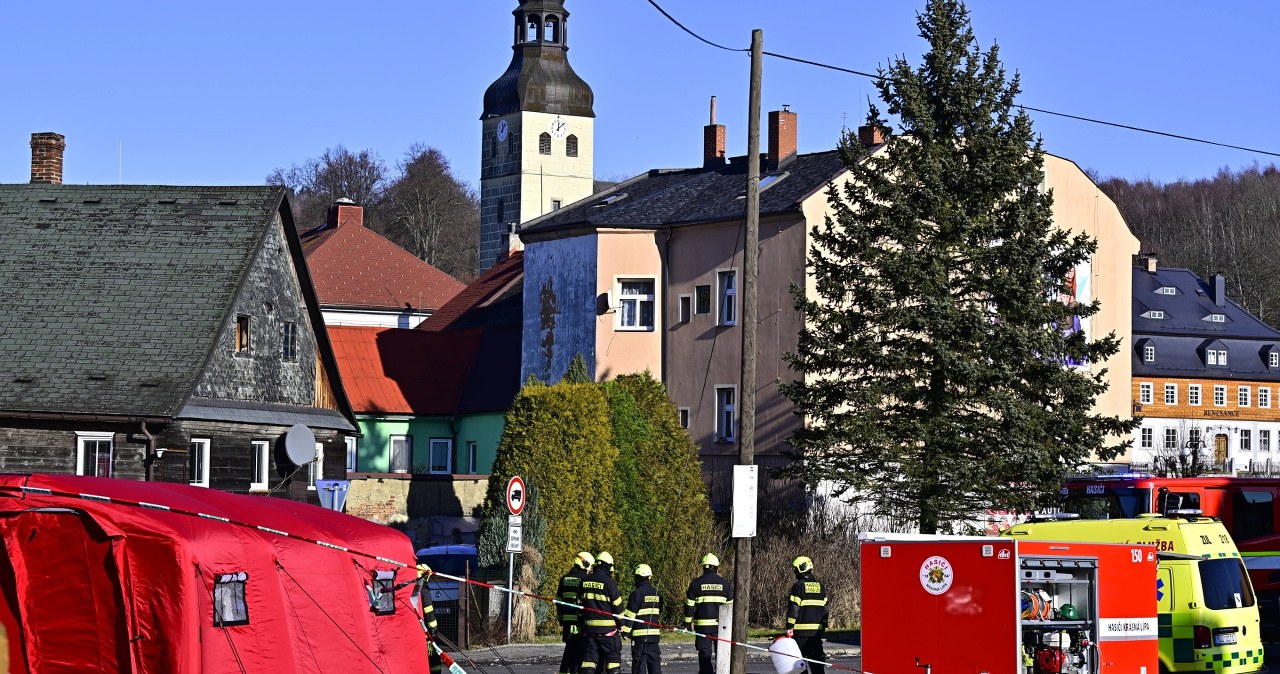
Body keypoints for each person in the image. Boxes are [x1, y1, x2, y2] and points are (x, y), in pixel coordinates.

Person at [684, 553, 732, 674]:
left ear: (703, 567)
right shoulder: (725, 584)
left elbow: (689, 607)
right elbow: (730, 608)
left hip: (702, 628)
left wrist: (687, 623)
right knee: (722, 654)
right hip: (721, 627)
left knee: (704, 654)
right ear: (716, 567)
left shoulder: (696, 584)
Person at [580, 551, 624, 674]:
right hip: (608, 631)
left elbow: (579, 605)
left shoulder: (584, 581)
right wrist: (621, 624)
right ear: (608, 566)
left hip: (589, 630)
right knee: (613, 660)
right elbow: (618, 606)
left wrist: (582, 624)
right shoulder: (609, 582)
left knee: (589, 660)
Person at [785, 556, 829, 674]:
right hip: (816, 634)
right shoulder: (820, 586)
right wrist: (823, 626)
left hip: (800, 633)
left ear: (802, 568)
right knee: (817, 665)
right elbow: (825, 609)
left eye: (795, 569)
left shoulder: (798, 586)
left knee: (799, 665)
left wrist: (789, 626)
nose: (794, 572)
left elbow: (794, 608)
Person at [557, 551, 595, 674]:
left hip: (567, 622)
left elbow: (559, 602)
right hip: (580, 622)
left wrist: (561, 619)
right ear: (586, 564)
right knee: (579, 654)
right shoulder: (585, 580)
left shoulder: (564, 579)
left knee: (569, 650)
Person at [622, 563, 664, 674]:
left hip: (639, 638)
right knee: (655, 664)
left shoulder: (636, 594)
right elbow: (658, 612)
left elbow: (630, 616)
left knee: (639, 665)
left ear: (639, 577)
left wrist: (625, 632)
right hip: (654, 637)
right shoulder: (658, 594)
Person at [414, 563, 439, 636]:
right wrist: (434, 627)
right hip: (422, 626)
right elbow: (428, 610)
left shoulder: (409, 586)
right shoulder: (424, 590)